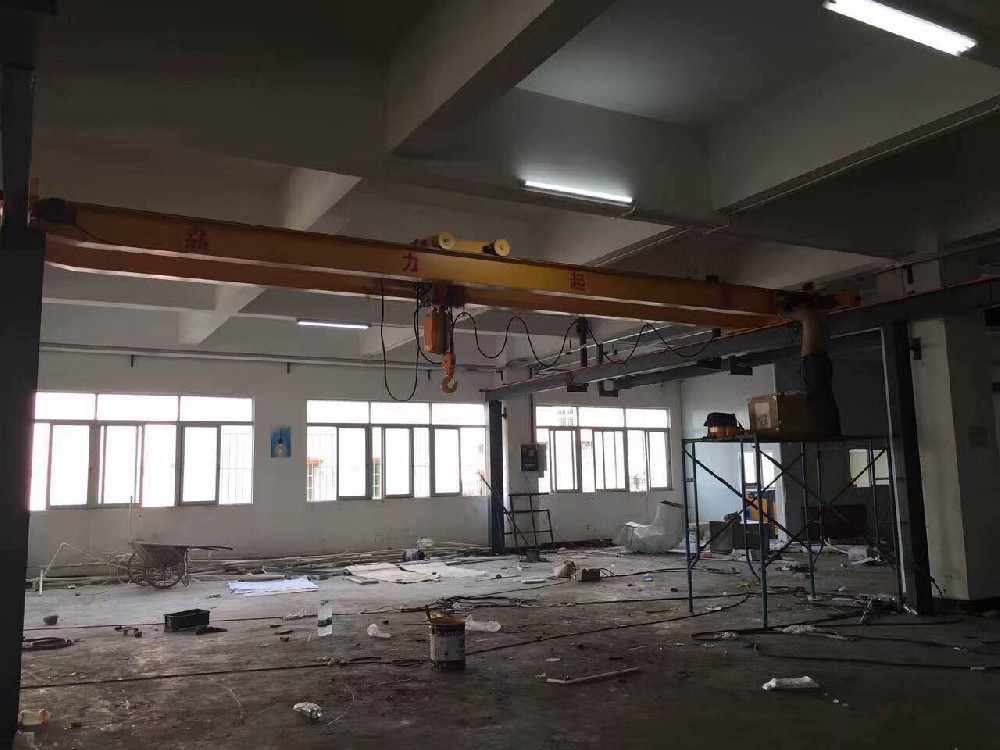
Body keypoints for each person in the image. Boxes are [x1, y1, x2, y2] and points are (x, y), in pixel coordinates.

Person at [789, 304, 842, 438]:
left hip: (820, 366)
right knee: (813, 360)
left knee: (817, 360)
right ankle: (809, 314)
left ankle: (814, 315)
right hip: (815, 368)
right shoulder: (821, 409)